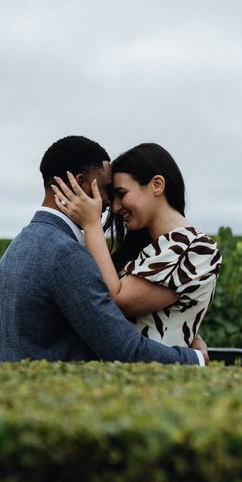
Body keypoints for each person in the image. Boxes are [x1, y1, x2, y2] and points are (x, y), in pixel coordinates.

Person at [0, 136, 207, 366]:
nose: (110, 204)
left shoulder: (21, 243)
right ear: (81, 185)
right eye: (106, 190)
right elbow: (122, 348)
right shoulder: (65, 254)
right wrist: (194, 359)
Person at [51, 142, 222, 348]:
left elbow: (114, 300)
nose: (114, 207)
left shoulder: (195, 248)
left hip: (153, 376)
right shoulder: (152, 246)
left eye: (121, 194)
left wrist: (92, 223)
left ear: (157, 184)